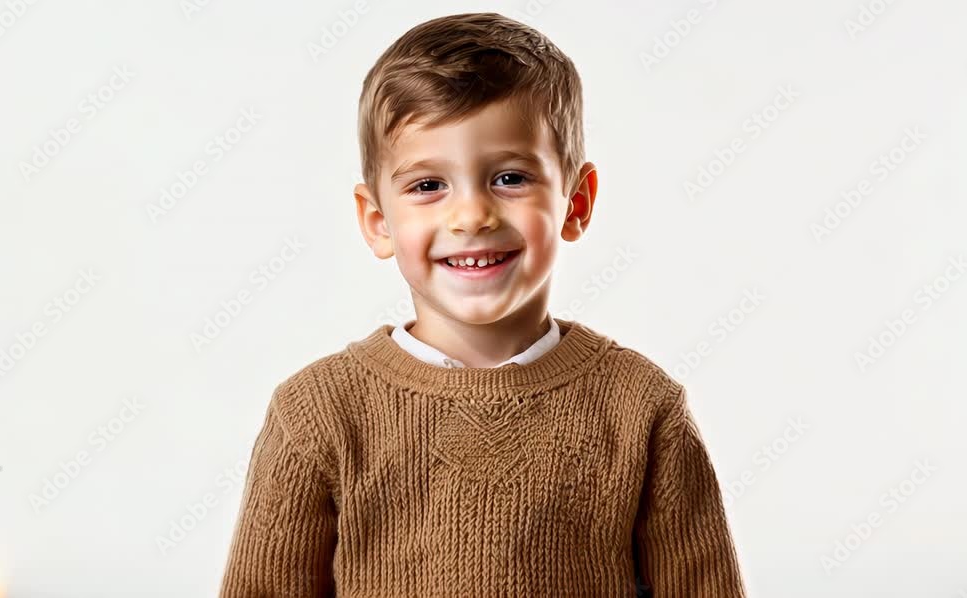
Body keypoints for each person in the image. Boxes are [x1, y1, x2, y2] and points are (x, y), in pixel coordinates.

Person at [219, 12, 747, 597]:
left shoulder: (642, 409)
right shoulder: (316, 415)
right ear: (377, 221)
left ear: (575, 202)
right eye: (428, 186)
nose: (471, 216)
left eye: (511, 178)